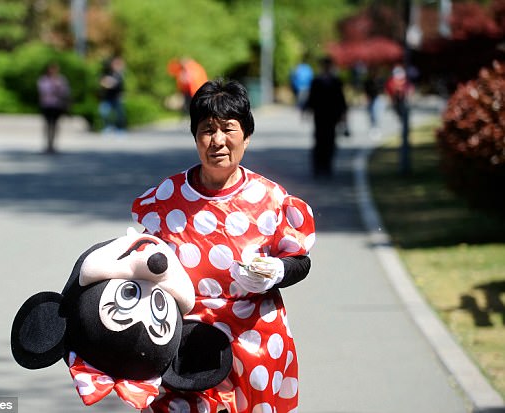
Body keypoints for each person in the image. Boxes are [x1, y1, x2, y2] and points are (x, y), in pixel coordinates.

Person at [132, 79, 315, 413]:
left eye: (228, 128)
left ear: (246, 134)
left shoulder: (272, 199)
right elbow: (142, 265)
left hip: (255, 342)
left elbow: (300, 261)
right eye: (206, 129)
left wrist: (275, 272)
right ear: (195, 136)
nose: (217, 140)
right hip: (183, 341)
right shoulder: (165, 198)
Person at [304, 56, 347, 178]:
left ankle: (327, 166)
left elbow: (341, 99)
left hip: (332, 117)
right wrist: (307, 111)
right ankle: (318, 166)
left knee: (330, 141)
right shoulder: (316, 81)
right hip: (319, 116)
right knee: (319, 140)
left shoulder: (336, 81)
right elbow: (311, 98)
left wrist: (343, 115)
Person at [37, 62, 70, 154]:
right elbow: (43, 91)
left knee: (55, 124)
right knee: (47, 124)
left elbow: (65, 91)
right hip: (47, 105)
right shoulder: (44, 80)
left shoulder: (61, 79)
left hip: (57, 105)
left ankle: (53, 144)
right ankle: (48, 144)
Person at [99, 56, 127, 134]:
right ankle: (108, 127)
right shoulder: (107, 72)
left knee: (119, 115)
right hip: (107, 97)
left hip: (117, 98)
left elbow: (116, 84)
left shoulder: (120, 74)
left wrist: (109, 83)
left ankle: (120, 129)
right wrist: (108, 83)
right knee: (104, 113)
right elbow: (102, 82)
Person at [363, 66, 386, 138]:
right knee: (371, 115)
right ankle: (373, 128)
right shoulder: (368, 81)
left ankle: (377, 128)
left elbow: (382, 90)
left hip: (377, 99)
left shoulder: (379, 80)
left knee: (377, 114)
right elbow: (366, 91)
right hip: (370, 99)